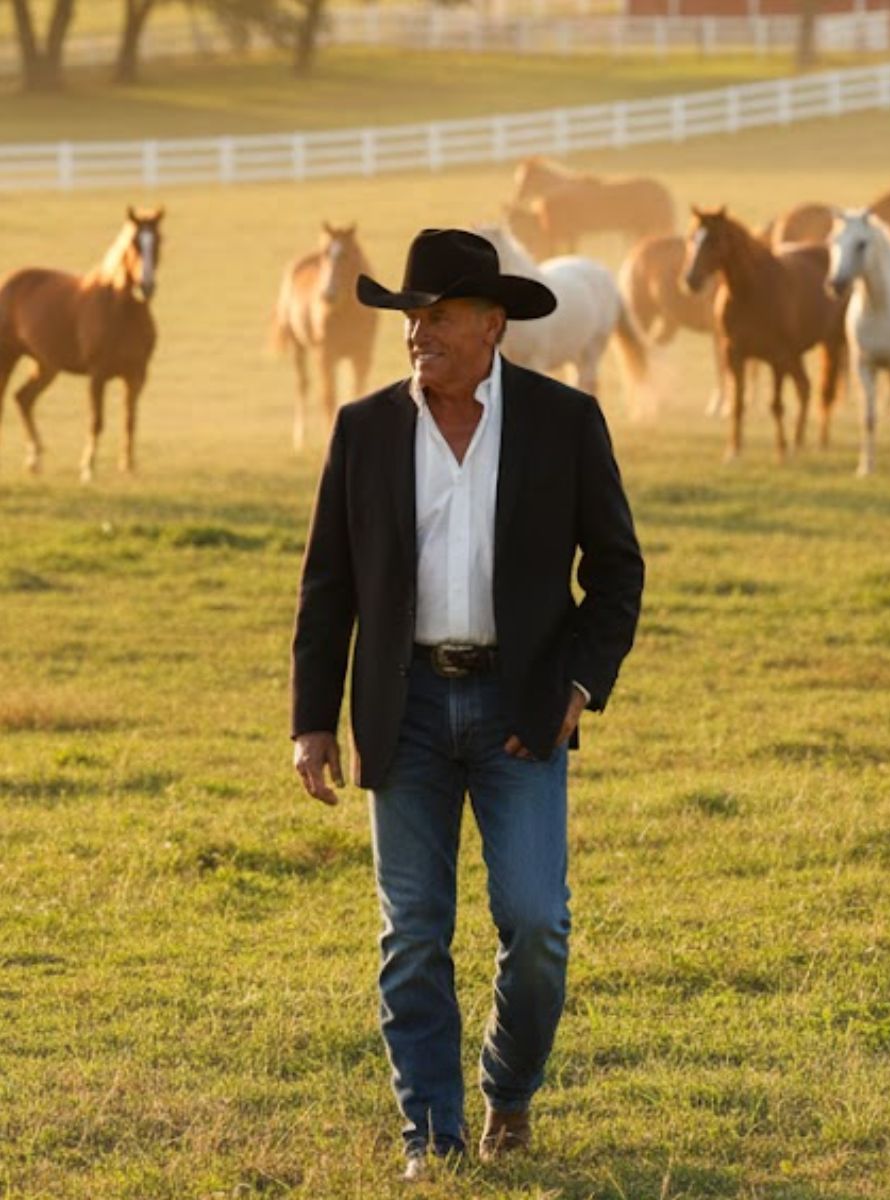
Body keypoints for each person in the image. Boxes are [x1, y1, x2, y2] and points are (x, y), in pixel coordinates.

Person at [290, 228, 644, 1180]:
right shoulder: (364, 429)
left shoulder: (565, 422)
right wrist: (312, 720)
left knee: (536, 925)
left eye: (439, 316)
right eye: (412, 317)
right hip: (399, 708)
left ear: (494, 325)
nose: (419, 333)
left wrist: (579, 684)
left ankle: (508, 1092)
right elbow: (327, 586)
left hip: (521, 709)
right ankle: (432, 1137)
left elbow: (617, 572)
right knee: (413, 932)